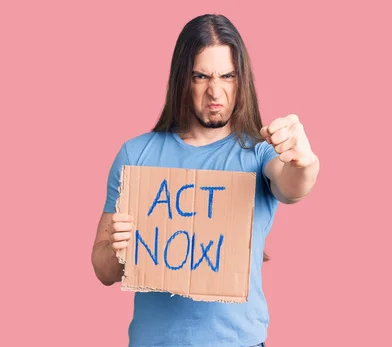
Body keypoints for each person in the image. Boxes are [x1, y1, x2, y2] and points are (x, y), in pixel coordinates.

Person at [90, 13, 319, 347]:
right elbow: (103, 270)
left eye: (227, 76)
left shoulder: (259, 153)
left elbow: (293, 188)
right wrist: (116, 249)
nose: (216, 91)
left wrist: (305, 161)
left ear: (242, 80)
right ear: (183, 79)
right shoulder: (134, 154)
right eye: (201, 76)